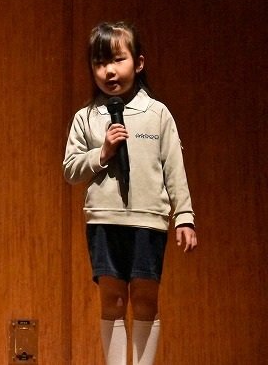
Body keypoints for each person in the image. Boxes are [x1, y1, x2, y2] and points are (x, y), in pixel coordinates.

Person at [62, 22, 198, 365]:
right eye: (99, 63)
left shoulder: (158, 114)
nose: (108, 70)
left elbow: (174, 167)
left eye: (117, 60)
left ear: (138, 63)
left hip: (148, 221)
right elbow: (71, 169)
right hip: (104, 221)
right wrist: (102, 152)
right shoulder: (86, 117)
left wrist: (184, 216)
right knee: (113, 301)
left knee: (145, 299)